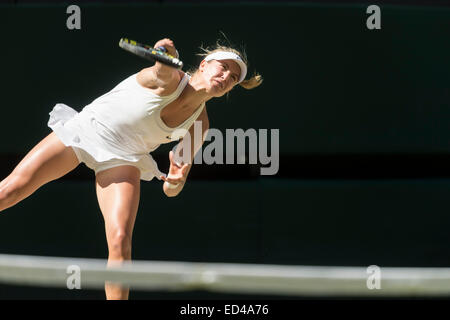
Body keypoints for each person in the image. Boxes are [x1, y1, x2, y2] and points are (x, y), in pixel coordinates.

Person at [0, 38, 262, 299]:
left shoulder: (199, 125)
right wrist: (166, 52)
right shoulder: (166, 79)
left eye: (234, 77)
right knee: (11, 191)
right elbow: (163, 67)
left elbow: (171, 190)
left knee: (120, 240)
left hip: (124, 159)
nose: (227, 76)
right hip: (86, 131)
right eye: (223, 67)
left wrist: (175, 181)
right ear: (204, 65)